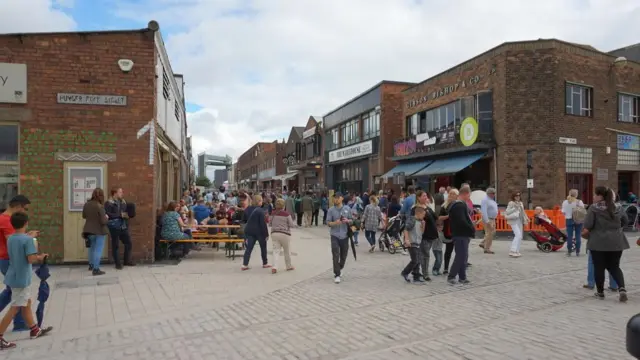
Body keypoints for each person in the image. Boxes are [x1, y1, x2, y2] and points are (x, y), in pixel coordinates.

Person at [0, 212, 52, 349]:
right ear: (26, 223)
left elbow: (20, 240)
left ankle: (34, 329)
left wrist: (29, 235)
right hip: (22, 278)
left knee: (26, 302)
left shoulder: (11, 238)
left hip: (13, 275)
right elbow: (31, 259)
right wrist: (41, 257)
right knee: (15, 307)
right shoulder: (28, 241)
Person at [583, 186, 630, 301]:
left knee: (599, 267)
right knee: (615, 266)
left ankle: (600, 292)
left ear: (600, 196)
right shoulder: (618, 207)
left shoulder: (594, 208)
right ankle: (622, 288)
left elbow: (588, 224)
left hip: (598, 241)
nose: (593, 197)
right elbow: (625, 221)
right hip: (617, 241)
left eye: (595, 195)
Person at [0, 195, 35, 330]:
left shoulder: (5, 219)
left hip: (7, 259)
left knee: (14, 292)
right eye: (24, 209)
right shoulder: (6, 220)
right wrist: (29, 238)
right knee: (16, 291)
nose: (24, 212)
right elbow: (15, 240)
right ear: (18, 206)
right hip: (9, 259)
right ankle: (20, 324)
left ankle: (23, 323)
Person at [447, 186, 475, 285]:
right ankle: (452, 275)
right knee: (461, 256)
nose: (469, 196)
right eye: (469, 194)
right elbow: (462, 220)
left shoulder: (458, 204)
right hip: (460, 234)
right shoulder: (459, 205)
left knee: (463, 256)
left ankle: (462, 277)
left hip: (461, 233)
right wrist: (471, 227)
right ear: (466, 193)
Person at [326, 192, 352, 284]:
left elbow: (352, 220)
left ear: (341, 198)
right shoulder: (331, 210)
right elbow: (328, 223)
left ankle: (340, 267)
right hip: (335, 235)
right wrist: (335, 223)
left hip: (345, 235)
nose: (335, 199)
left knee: (343, 255)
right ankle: (337, 274)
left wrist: (347, 220)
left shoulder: (347, 209)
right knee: (335, 254)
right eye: (334, 198)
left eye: (337, 198)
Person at [105, 187, 133, 269]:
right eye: (120, 192)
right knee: (116, 244)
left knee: (128, 242)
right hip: (114, 226)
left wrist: (127, 215)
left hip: (123, 225)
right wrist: (119, 215)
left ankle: (126, 261)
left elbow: (126, 212)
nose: (122, 194)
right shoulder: (108, 203)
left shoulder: (123, 202)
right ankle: (118, 264)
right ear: (115, 193)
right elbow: (108, 215)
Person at [82, 188, 108, 276]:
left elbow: (84, 216)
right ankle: (96, 269)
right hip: (99, 231)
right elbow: (103, 221)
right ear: (101, 196)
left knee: (91, 248)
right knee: (98, 250)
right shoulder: (100, 206)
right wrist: (106, 217)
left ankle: (91, 265)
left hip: (88, 230)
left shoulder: (87, 204)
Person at [241, 195, 271, 271]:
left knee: (249, 248)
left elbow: (243, 220)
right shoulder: (260, 210)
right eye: (261, 200)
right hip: (259, 232)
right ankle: (265, 263)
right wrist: (266, 234)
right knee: (263, 247)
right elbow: (263, 224)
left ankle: (245, 264)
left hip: (250, 231)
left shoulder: (247, 209)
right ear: (258, 202)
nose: (262, 202)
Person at [269, 199, 296, 274]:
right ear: (283, 205)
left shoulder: (273, 213)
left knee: (276, 251)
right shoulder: (287, 214)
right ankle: (288, 266)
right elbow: (291, 225)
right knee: (287, 251)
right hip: (285, 234)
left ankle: (274, 267)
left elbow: (270, 223)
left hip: (274, 233)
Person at [401, 206, 426, 283]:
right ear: (418, 213)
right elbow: (406, 229)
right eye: (423, 214)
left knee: (418, 260)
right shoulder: (412, 220)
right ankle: (405, 272)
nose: (424, 216)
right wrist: (407, 240)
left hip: (418, 242)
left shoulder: (420, 221)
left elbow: (422, 232)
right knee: (415, 260)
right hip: (412, 243)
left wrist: (423, 225)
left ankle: (416, 276)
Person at [438, 188, 458, 275]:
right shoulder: (444, 206)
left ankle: (458, 267)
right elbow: (439, 218)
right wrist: (447, 216)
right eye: (451, 194)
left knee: (459, 251)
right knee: (448, 250)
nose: (452, 195)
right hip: (448, 231)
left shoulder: (459, 205)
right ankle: (446, 268)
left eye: (454, 194)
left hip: (458, 231)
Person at [562, 189, 586, 256]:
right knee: (578, 235)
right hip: (578, 220)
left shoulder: (565, 202)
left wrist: (568, 214)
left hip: (569, 220)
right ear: (576, 195)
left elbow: (563, 212)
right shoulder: (579, 202)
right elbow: (582, 211)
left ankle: (569, 251)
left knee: (569, 236)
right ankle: (577, 251)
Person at [505, 191, 528, 257]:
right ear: (513, 197)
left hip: (520, 221)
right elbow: (507, 212)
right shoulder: (511, 203)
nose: (518, 197)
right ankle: (512, 250)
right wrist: (515, 208)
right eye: (516, 196)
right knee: (517, 234)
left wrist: (526, 218)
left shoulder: (521, 203)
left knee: (520, 236)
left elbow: (523, 212)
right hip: (513, 220)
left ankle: (517, 250)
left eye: (519, 196)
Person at [479, 187, 498, 254]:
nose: (494, 194)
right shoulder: (485, 200)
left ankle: (483, 243)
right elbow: (484, 211)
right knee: (489, 233)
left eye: (494, 193)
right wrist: (487, 221)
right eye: (493, 193)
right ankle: (487, 248)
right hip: (488, 218)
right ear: (489, 193)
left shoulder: (491, 200)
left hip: (492, 218)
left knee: (492, 232)